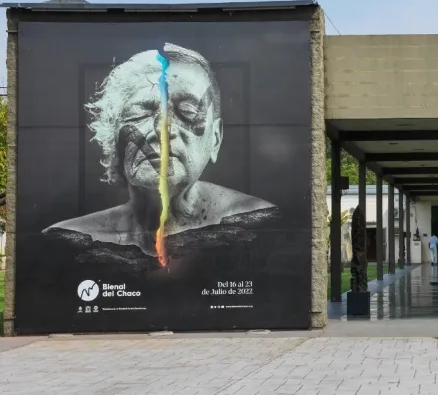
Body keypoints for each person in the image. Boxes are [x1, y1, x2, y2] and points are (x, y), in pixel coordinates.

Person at [43, 42, 278, 266]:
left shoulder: (260, 224)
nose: (163, 129)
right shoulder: (67, 241)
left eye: (187, 111)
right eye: (141, 112)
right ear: (113, 137)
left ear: (215, 139)